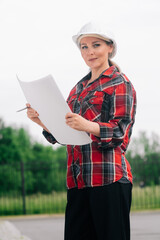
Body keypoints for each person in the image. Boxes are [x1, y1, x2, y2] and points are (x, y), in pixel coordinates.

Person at [26, 21, 136, 240]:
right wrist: (41, 121)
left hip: (108, 180)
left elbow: (120, 134)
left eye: (96, 45)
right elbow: (67, 133)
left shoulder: (119, 83)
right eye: (84, 47)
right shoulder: (77, 89)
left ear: (110, 47)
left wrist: (86, 125)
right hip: (78, 181)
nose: (89, 52)